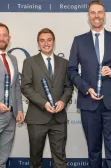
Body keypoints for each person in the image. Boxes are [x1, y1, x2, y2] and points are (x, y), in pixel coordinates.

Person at [68, 0, 111, 168]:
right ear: (88, 16)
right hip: (88, 102)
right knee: (93, 150)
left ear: (104, 15)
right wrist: (86, 88)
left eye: (99, 12)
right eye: (92, 12)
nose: (96, 16)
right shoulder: (79, 41)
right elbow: (71, 71)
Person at [21, 28, 73, 168]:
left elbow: (69, 86)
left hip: (59, 118)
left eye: (49, 40)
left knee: (60, 159)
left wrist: (63, 100)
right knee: (36, 159)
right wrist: (44, 103)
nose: (46, 43)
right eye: (42, 40)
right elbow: (25, 87)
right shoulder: (29, 62)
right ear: (38, 43)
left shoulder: (64, 63)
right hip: (37, 118)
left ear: (54, 42)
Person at [0, 23, 24, 168]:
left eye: (4, 35)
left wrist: (19, 109)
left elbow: (15, 86)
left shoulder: (13, 59)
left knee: (3, 157)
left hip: (11, 116)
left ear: (9, 39)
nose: (1, 38)